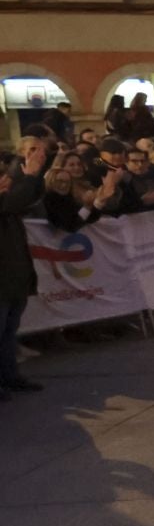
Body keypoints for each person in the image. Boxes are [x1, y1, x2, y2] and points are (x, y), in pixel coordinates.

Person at [1, 132, 51, 398]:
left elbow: (23, 199)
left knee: (9, 330)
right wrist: (30, 175)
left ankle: (10, 376)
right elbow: (13, 202)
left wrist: (34, 177)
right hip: (4, 272)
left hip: (14, 269)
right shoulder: (15, 178)